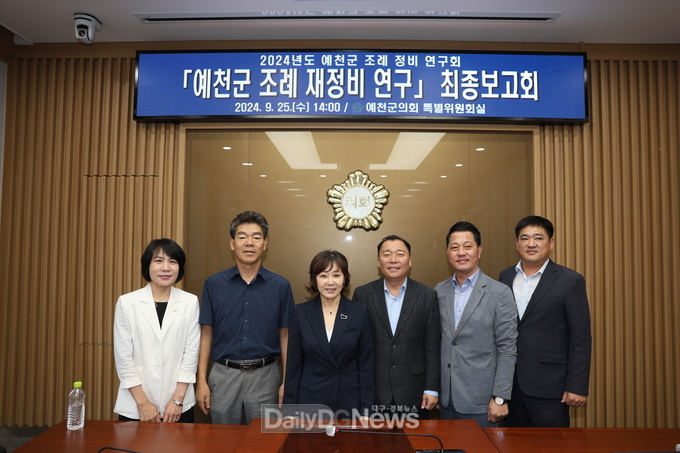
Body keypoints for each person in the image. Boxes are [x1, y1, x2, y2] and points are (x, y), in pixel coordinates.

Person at [197, 211, 295, 425]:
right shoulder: (214, 284)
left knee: (263, 439)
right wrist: (201, 380)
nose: (249, 243)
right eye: (242, 237)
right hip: (223, 375)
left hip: (265, 376)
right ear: (232, 243)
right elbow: (206, 333)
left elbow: (286, 336)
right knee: (222, 439)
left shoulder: (281, 286)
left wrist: (286, 382)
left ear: (265, 243)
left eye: (256, 237)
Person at [499, 215, 592, 427]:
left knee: (552, 443)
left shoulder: (570, 281)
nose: (531, 243)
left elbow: (580, 338)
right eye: (524, 238)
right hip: (511, 385)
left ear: (551, 243)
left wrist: (577, 386)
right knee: (514, 442)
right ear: (517, 244)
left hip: (550, 386)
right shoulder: (505, 277)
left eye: (538, 238)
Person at [435, 221, 517, 427]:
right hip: (446, 401)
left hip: (483, 402)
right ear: (447, 252)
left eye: (468, 246)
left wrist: (500, 398)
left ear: (479, 251)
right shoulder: (438, 292)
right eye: (455, 247)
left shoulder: (499, 293)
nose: (461, 252)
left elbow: (507, 349)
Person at [352, 235, 440, 420]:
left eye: (400, 254)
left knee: (414, 439)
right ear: (378, 261)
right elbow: (356, 347)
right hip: (373, 391)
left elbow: (432, 347)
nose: (393, 260)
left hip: (415, 393)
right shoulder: (363, 294)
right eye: (387, 254)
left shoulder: (427, 295)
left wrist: (431, 388)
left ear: (409, 261)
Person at [113, 238, 200, 422]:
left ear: (180, 267)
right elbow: (123, 358)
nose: (166, 268)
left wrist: (177, 399)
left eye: (172, 261)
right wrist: (143, 403)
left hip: (178, 404)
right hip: (136, 403)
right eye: (159, 261)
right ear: (148, 265)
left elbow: (191, 354)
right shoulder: (127, 303)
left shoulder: (190, 302)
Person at [284, 250, 374, 417]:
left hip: (349, 399)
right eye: (323, 276)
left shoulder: (360, 312)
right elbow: (293, 366)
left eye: (336, 275)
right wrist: (289, 410)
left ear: (345, 278)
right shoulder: (300, 313)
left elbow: (366, 366)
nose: (330, 282)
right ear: (315, 279)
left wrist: (367, 410)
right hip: (310, 399)